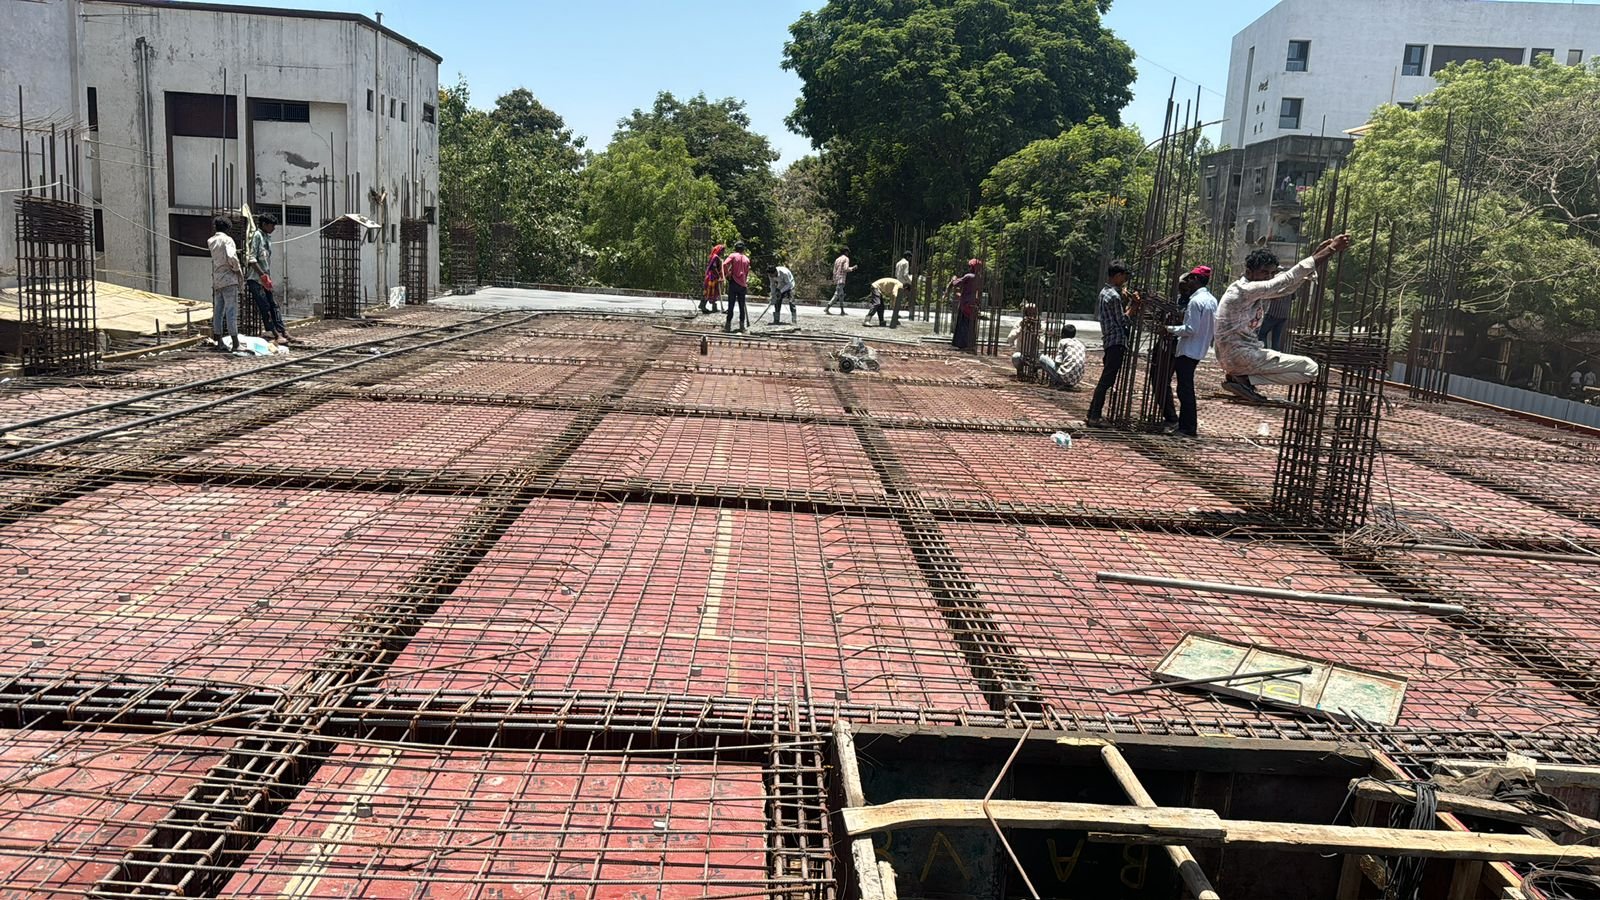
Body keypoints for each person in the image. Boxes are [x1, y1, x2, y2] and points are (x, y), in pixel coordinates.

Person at [1214, 235, 1351, 402]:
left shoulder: (1248, 290)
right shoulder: (1245, 290)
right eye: (1264, 272)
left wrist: (1317, 255)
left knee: (1304, 366)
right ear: (1249, 272)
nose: (1269, 277)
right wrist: (1331, 249)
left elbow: (1287, 287)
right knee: (1310, 368)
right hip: (1240, 355)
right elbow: (1285, 281)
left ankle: (1242, 378)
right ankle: (1246, 379)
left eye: (1272, 273)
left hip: (1236, 356)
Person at [1163, 266, 1219, 437]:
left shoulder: (1195, 302)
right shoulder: (1212, 300)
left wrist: (1169, 329)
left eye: (1189, 280)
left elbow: (1190, 329)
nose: (1187, 283)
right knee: (1185, 388)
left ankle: (1187, 428)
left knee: (1185, 390)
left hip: (1188, 350)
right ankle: (1186, 425)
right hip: (1199, 349)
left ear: (1195, 279)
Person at [1086, 261, 1138, 425]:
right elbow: (1123, 320)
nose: (1125, 280)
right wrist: (1134, 306)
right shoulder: (1114, 296)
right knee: (1107, 380)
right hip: (1116, 341)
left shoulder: (1105, 292)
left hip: (1109, 340)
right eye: (1123, 277)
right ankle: (1094, 416)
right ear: (1117, 275)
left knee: (1106, 379)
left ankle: (1092, 413)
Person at [245, 213, 291, 345]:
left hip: (265, 278)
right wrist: (262, 276)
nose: (274, 228)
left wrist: (266, 277)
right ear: (264, 224)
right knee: (265, 307)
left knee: (274, 305)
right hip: (256, 279)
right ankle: (275, 334)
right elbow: (252, 259)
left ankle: (283, 331)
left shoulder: (267, 237)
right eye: (272, 225)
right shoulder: (257, 236)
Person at [208, 216, 242, 353]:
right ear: (228, 228)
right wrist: (237, 269)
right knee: (231, 310)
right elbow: (231, 256)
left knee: (218, 311)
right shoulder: (227, 240)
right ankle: (235, 343)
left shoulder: (211, 241)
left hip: (217, 279)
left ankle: (219, 341)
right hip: (229, 278)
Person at [948, 258, 983, 352]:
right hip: (973, 304)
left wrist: (953, 279)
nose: (969, 268)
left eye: (970, 266)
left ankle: (962, 344)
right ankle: (969, 344)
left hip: (965, 304)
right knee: (969, 325)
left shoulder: (969, 276)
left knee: (962, 324)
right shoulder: (979, 278)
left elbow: (956, 283)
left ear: (972, 267)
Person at [1041, 323, 1088, 389]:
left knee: (1043, 358)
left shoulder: (1063, 341)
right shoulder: (1081, 344)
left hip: (1064, 377)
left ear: (1063, 334)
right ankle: (1065, 383)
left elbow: (1058, 361)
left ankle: (1056, 382)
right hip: (1076, 379)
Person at [721, 241, 750, 333]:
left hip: (733, 283)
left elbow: (724, 264)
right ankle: (742, 326)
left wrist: (728, 274)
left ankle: (728, 326)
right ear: (743, 249)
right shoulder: (747, 259)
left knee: (731, 305)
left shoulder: (733, 256)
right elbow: (747, 272)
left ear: (735, 248)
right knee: (742, 306)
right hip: (742, 285)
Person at [1007, 303, 1042, 378]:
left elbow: (1043, 345)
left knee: (1043, 358)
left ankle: (1034, 370)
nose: (1031, 316)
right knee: (1016, 357)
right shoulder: (1020, 323)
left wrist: (1037, 332)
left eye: (1033, 313)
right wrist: (1021, 329)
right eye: (1029, 313)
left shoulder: (1039, 325)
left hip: (1034, 354)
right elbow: (1010, 339)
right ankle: (1020, 371)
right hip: (1021, 353)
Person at [827, 248, 857, 314]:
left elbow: (834, 270)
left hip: (837, 279)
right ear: (846, 252)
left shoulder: (837, 259)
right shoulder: (846, 259)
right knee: (840, 295)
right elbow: (846, 269)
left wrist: (834, 279)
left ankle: (833, 309)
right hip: (841, 279)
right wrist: (853, 268)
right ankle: (838, 310)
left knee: (838, 294)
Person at [892, 249, 913, 326]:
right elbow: (905, 274)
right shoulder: (906, 262)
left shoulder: (898, 263)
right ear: (908, 257)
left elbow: (896, 274)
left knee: (897, 298)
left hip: (898, 282)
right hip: (904, 283)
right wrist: (910, 282)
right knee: (910, 296)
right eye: (910, 257)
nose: (910, 259)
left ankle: (896, 312)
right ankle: (909, 309)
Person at [701, 243, 725, 314]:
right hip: (712, 277)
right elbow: (714, 267)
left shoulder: (715, 257)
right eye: (722, 251)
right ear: (719, 250)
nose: (723, 252)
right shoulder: (715, 257)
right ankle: (703, 305)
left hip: (713, 277)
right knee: (709, 291)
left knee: (713, 291)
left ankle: (714, 307)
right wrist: (719, 276)